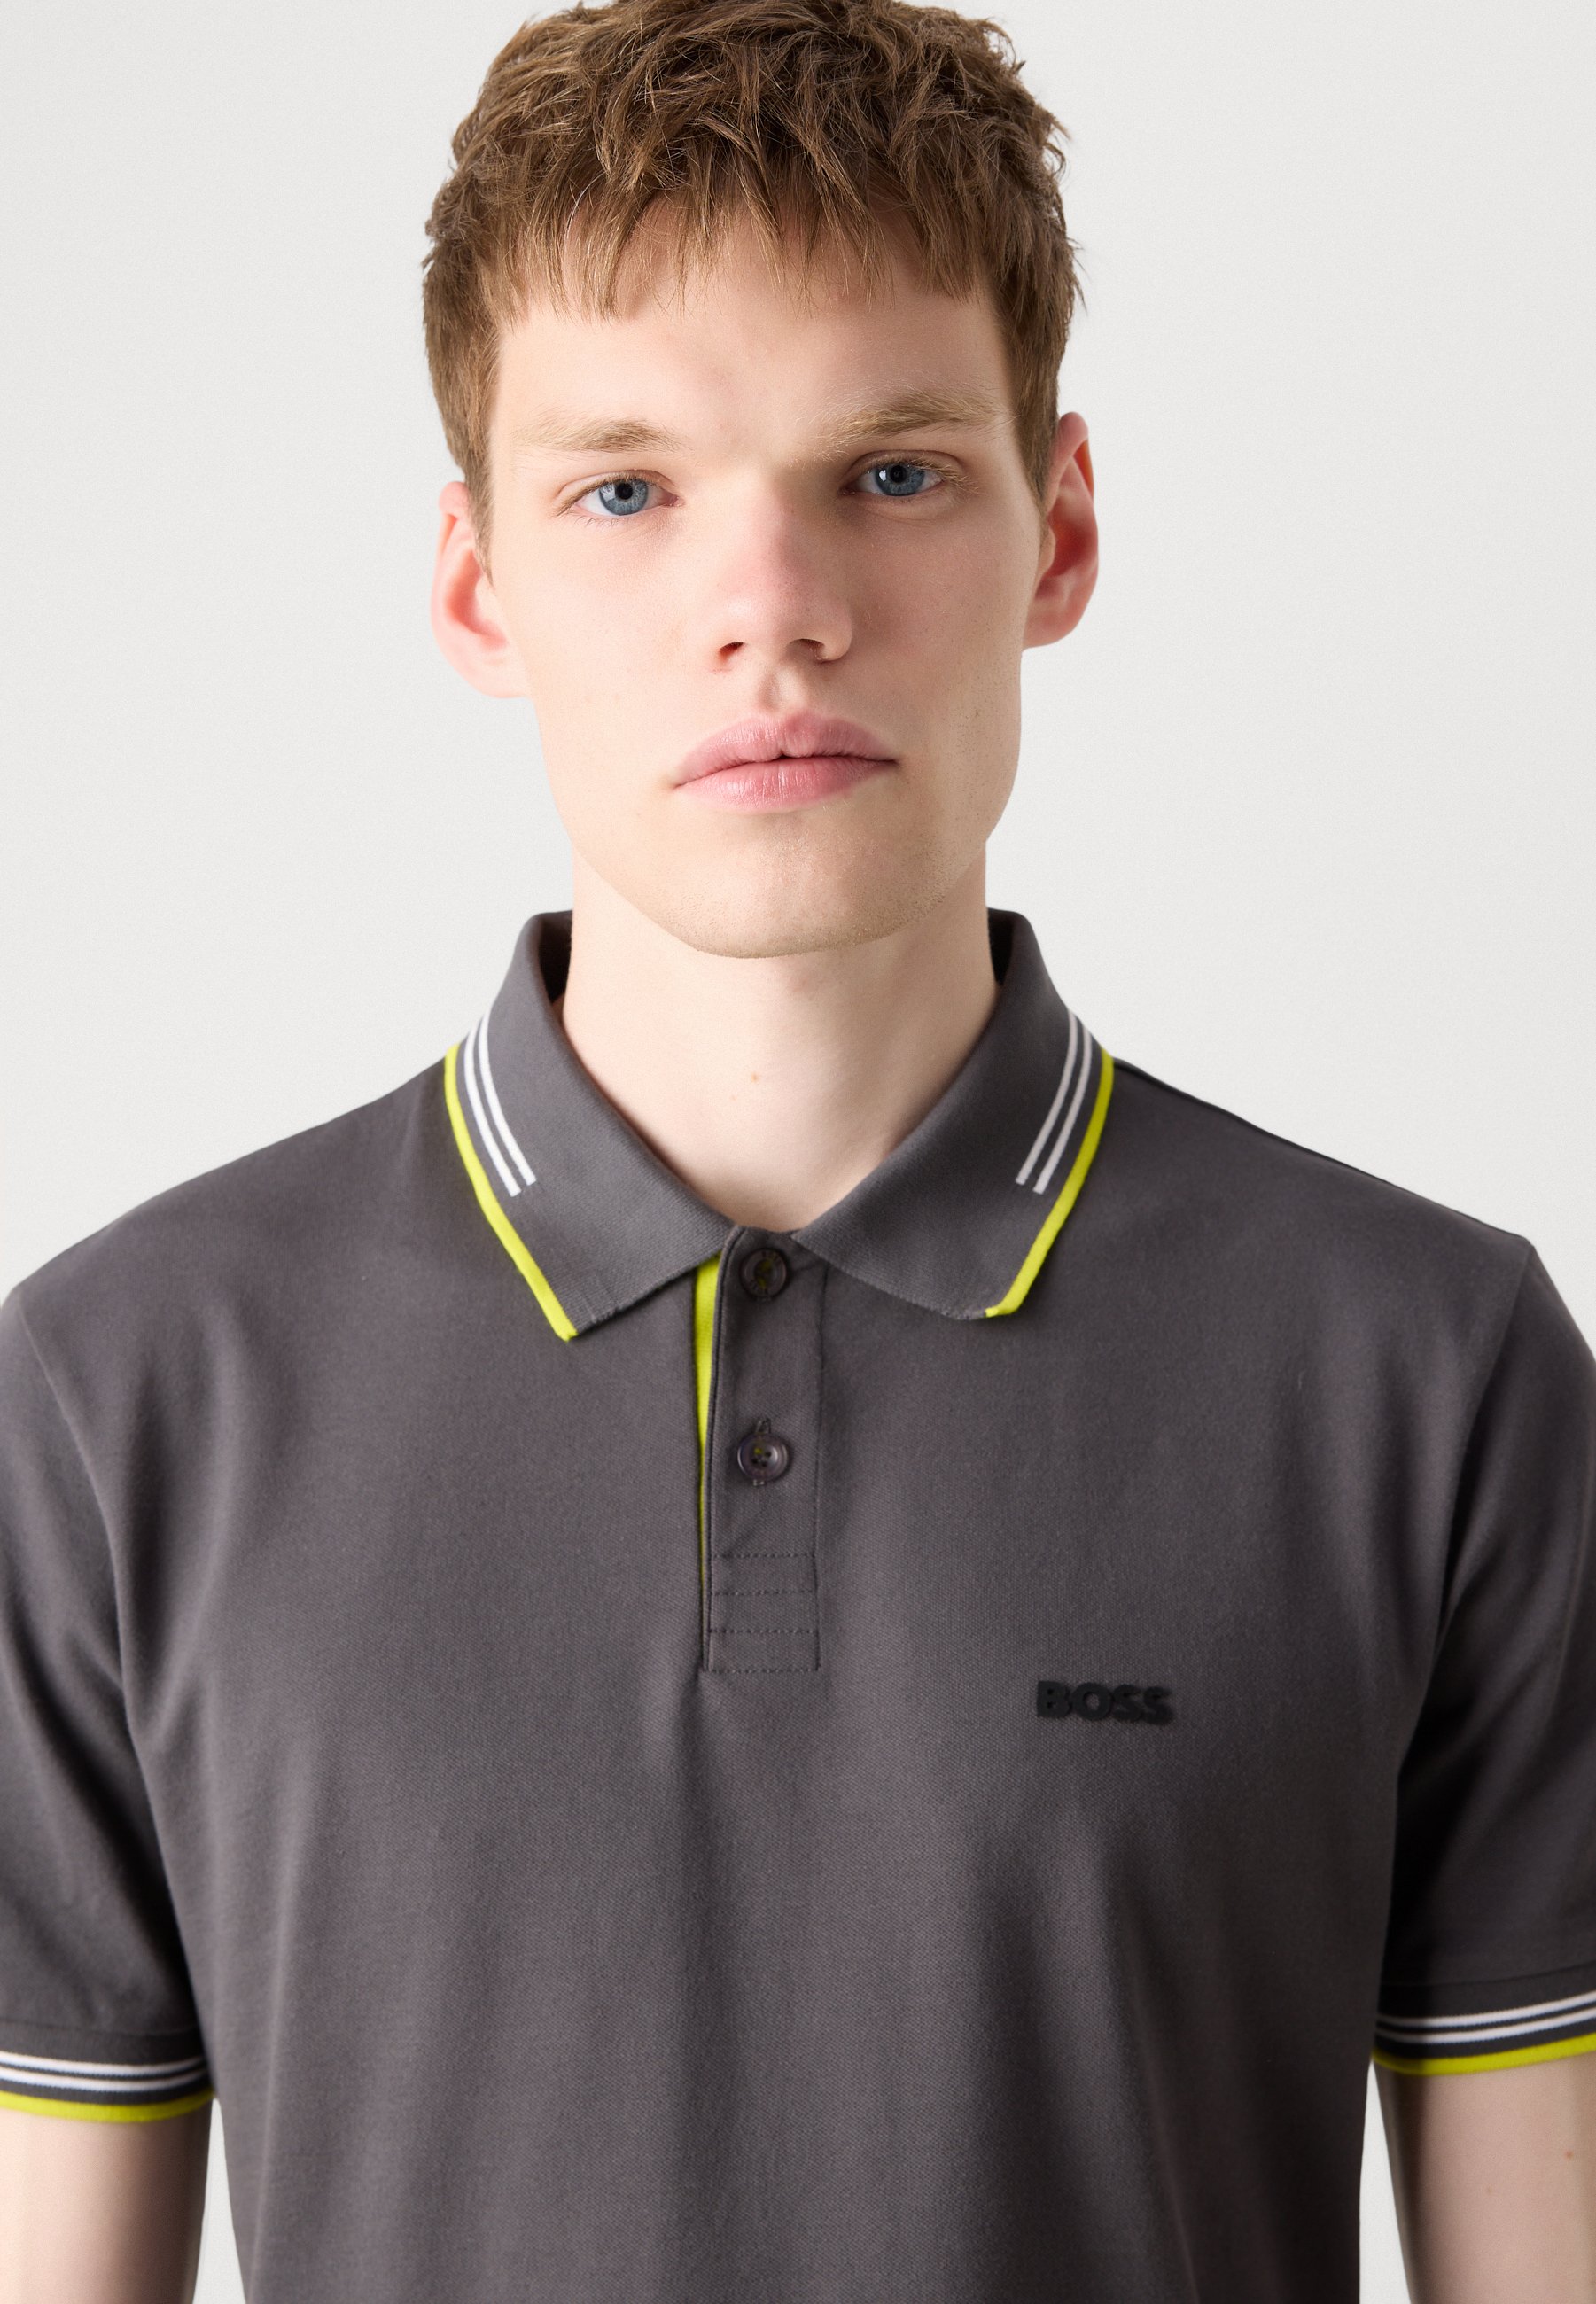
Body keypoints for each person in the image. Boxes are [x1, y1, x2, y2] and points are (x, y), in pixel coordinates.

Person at [2, 0, 1592, 2297]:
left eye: (892, 472)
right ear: (476, 582)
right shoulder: (117, 1403)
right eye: (625, 490)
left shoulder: (1430, 1378)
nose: (774, 606)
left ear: (1057, 529)